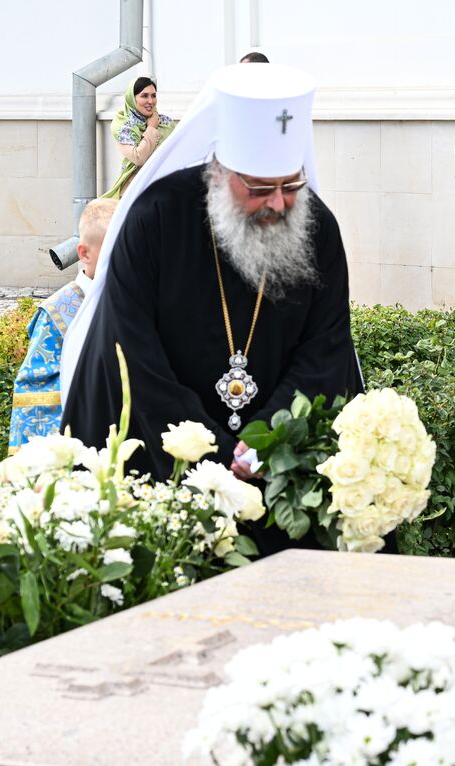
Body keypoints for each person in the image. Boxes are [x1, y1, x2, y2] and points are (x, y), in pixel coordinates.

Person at [62, 64, 362, 555]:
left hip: (277, 469)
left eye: (291, 186)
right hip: (162, 465)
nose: (280, 204)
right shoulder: (156, 217)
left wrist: (270, 436)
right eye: (260, 189)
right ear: (220, 175)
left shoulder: (318, 228)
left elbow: (325, 349)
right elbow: (130, 352)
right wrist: (213, 451)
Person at [8, 198, 119, 452]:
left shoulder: (137, 299)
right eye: (114, 250)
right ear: (84, 253)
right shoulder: (58, 313)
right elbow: (35, 395)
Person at [102, 77, 177, 199]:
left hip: (166, 188)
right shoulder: (123, 126)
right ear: (132, 98)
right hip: (136, 192)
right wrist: (151, 128)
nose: (150, 101)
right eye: (144, 96)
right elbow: (138, 158)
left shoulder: (166, 123)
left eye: (153, 96)